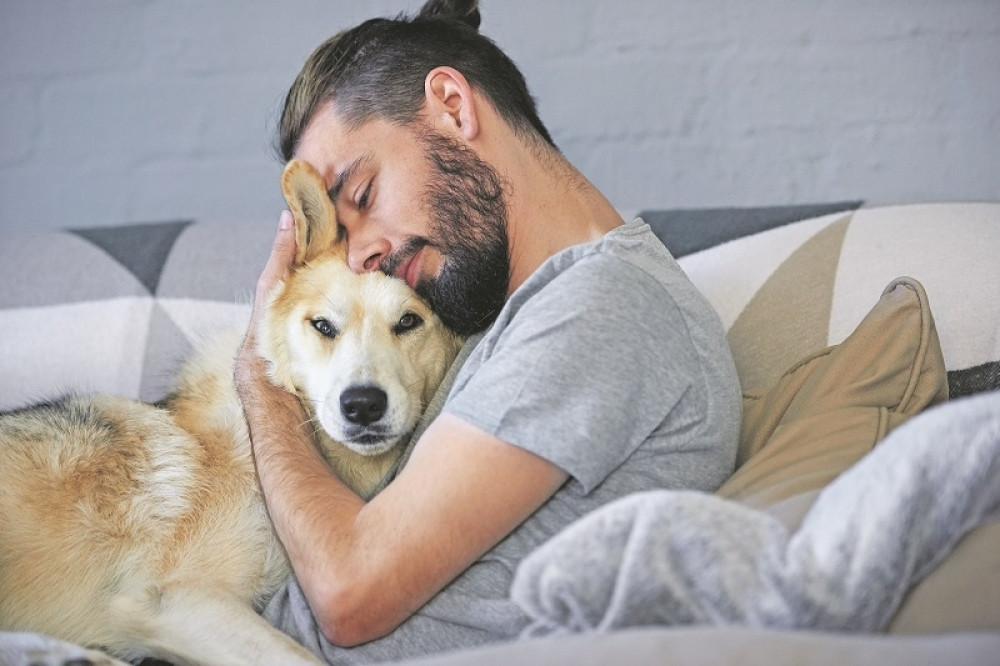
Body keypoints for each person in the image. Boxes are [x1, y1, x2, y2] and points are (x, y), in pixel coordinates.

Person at [233, 0, 742, 662]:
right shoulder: (505, 311)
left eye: (362, 195)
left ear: (452, 106)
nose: (359, 255)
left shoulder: (601, 305)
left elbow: (348, 593)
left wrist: (259, 373)